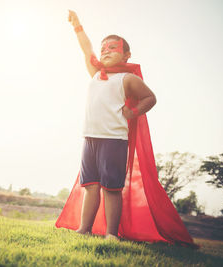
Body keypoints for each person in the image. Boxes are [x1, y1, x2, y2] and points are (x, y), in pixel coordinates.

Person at [67, 10, 156, 241]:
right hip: (89, 138)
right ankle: (84, 229)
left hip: (114, 140)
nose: (105, 52)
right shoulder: (96, 73)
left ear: (126, 55)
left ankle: (111, 234)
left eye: (113, 48)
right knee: (90, 186)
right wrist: (78, 26)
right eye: (103, 48)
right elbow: (87, 49)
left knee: (112, 188)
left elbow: (150, 98)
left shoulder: (127, 79)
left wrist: (133, 111)